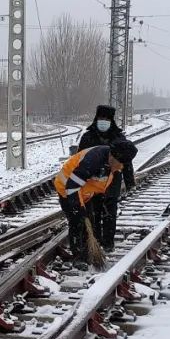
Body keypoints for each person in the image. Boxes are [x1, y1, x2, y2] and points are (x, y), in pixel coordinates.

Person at [54, 139, 138, 264]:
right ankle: (78, 257)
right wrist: (78, 207)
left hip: (85, 191)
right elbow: (72, 186)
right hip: (66, 188)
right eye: (120, 163)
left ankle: (88, 254)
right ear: (112, 156)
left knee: (90, 222)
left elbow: (102, 182)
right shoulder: (93, 160)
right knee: (77, 221)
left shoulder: (112, 161)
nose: (120, 167)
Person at [75, 105, 136, 253]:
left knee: (110, 212)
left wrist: (129, 181)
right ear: (96, 119)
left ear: (111, 120)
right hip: (92, 181)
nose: (104, 121)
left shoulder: (118, 138)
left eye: (107, 119)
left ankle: (108, 242)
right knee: (93, 212)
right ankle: (95, 241)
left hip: (112, 181)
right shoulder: (88, 137)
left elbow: (126, 160)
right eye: (101, 118)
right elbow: (79, 159)